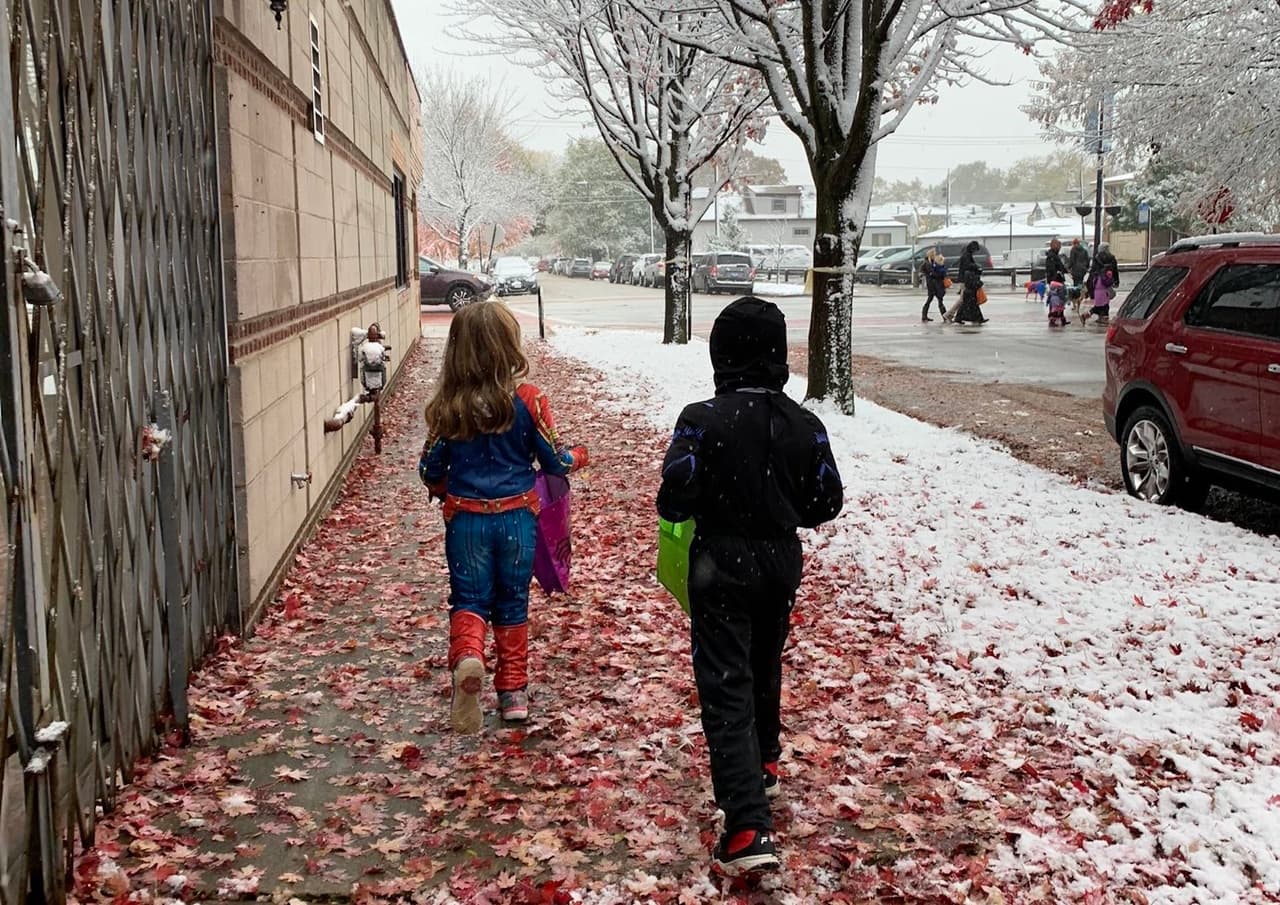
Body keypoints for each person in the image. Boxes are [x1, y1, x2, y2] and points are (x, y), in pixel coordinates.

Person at [656, 297, 844, 876]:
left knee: (725, 681)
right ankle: (764, 761)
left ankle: (746, 825)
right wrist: (780, 506)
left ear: (721, 355)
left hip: (720, 561)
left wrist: (712, 500)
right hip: (780, 559)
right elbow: (826, 500)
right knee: (764, 661)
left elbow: (674, 495)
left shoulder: (701, 419)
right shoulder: (805, 425)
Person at [418, 302, 589, 734]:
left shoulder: (449, 406)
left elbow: (429, 469)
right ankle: (513, 692)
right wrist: (580, 456)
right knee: (512, 602)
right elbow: (555, 462)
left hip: (466, 521)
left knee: (469, 599)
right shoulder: (529, 400)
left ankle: (469, 657)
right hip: (517, 519)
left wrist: (446, 491)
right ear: (508, 345)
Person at [950, 240, 988, 325]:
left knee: (965, 300)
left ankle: (959, 317)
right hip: (966, 280)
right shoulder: (967, 256)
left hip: (965, 279)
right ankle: (951, 315)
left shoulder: (966, 254)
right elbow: (967, 266)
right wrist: (976, 266)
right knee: (964, 299)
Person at [920, 249, 947, 322]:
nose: (935, 255)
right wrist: (939, 275)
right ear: (931, 255)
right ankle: (945, 316)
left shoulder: (930, 262)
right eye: (934, 254)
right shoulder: (928, 263)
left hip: (932, 284)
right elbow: (933, 273)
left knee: (932, 300)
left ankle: (924, 315)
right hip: (934, 284)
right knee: (939, 300)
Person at [1067, 238, 1091, 315]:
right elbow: (1088, 260)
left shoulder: (1073, 250)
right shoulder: (1084, 250)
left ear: (1074, 243)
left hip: (1075, 270)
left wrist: (1068, 267)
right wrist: (1086, 268)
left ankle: (1075, 303)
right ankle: (1079, 300)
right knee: (1080, 284)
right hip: (1083, 270)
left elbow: (1072, 260)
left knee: (1075, 286)